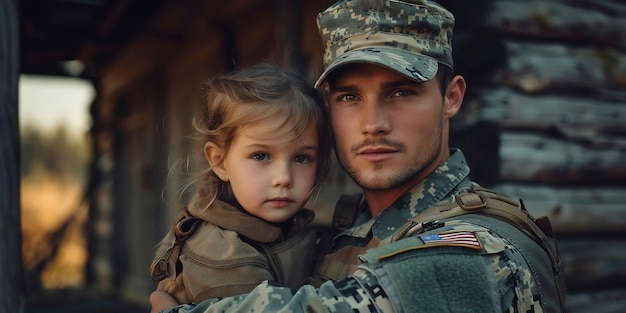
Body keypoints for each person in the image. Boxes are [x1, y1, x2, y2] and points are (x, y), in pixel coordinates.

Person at [151, 0, 566, 312]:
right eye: (349, 96)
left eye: (401, 92)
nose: (372, 123)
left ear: (451, 97)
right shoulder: (343, 229)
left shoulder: (476, 250)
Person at [148, 63, 332, 311]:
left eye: (301, 158)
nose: (283, 178)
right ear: (220, 161)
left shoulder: (289, 225)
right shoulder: (223, 257)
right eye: (260, 156)